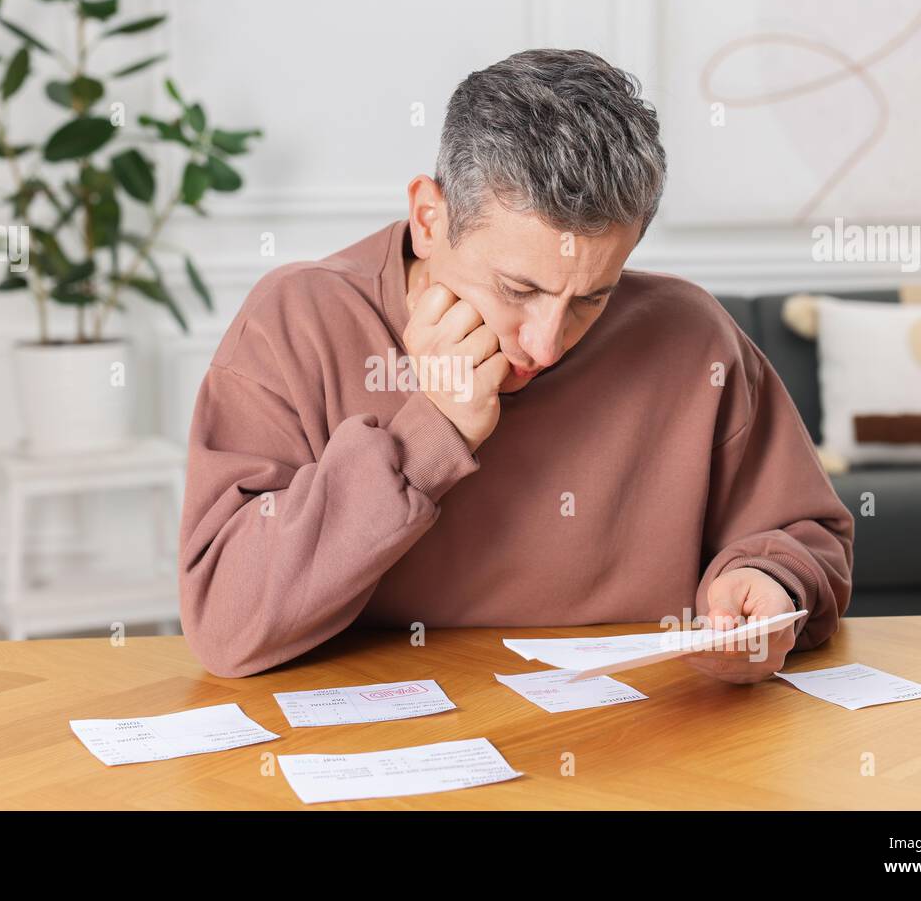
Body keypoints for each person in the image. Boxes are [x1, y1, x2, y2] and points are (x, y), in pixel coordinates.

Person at [178, 48, 853, 680]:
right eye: (517, 290)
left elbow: (800, 534)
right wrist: (429, 433)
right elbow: (226, 623)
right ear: (429, 219)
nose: (546, 344)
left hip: (640, 755)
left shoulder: (692, 338)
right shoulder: (296, 321)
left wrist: (769, 580)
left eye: (592, 298)